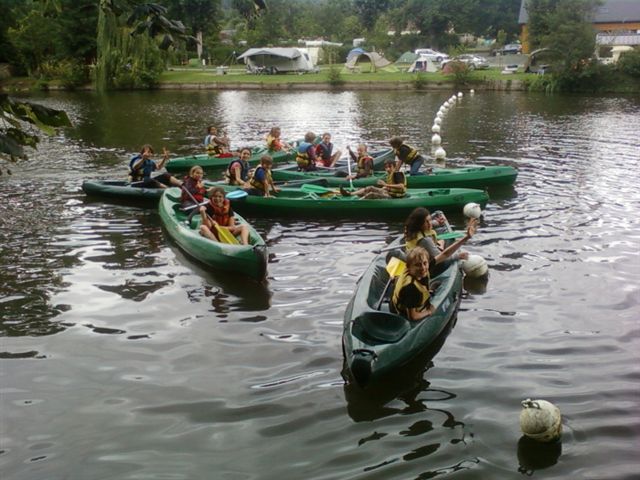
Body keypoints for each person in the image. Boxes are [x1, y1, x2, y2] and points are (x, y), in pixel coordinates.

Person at [390, 220, 477, 322]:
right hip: (402, 314)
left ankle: (428, 292)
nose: (423, 268)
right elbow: (412, 317)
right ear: (408, 267)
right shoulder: (411, 288)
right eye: (417, 265)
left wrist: (466, 238)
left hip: (410, 300)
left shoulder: (424, 268)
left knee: (434, 284)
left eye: (425, 263)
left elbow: (445, 254)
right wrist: (429, 312)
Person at [403, 207, 468, 276]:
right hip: (426, 269)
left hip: (414, 263)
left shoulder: (412, 230)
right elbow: (441, 257)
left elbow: (430, 225)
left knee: (441, 241)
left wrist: (438, 222)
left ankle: (440, 245)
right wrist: (457, 256)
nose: (429, 223)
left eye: (430, 220)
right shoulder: (425, 240)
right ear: (420, 224)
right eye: (426, 222)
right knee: (446, 243)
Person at [339, 158, 406, 199]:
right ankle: (349, 194)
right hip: (389, 193)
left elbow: (401, 186)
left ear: (394, 166)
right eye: (386, 167)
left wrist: (385, 185)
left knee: (371, 194)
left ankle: (357, 202)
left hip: (395, 196)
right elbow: (390, 187)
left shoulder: (397, 173)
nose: (387, 169)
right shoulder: (389, 174)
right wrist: (382, 188)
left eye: (389, 167)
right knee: (370, 188)